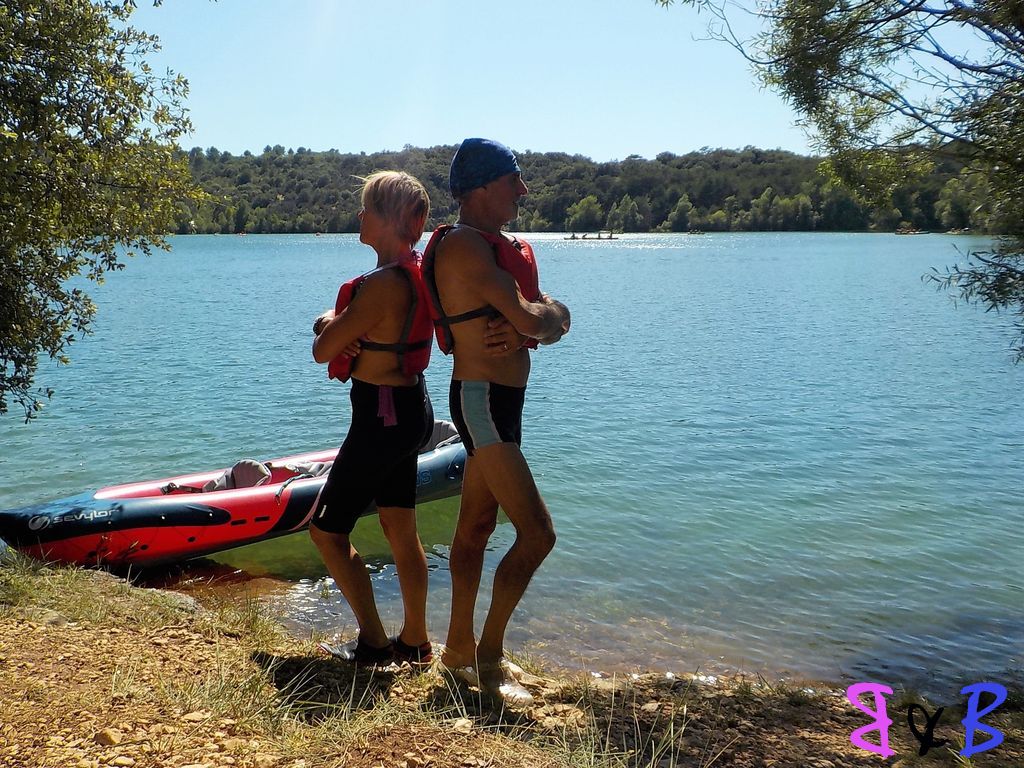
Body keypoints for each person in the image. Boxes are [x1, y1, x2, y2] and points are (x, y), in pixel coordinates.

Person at [421, 138, 571, 705]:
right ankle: (490, 658)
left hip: (504, 402)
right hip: (481, 400)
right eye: (515, 180)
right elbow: (537, 316)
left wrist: (541, 322)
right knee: (538, 533)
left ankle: (457, 651)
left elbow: (554, 315)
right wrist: (538, 323)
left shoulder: (500, 248)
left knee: (475, 530)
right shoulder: (464, 247)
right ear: (482, 187)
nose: (524, 190)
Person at [309, 171, 436, 667]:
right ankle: (417, 641)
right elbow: (352, 328)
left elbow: (324, 351)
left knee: (326, 532)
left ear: (389, 221)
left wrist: (329, 325)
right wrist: (339, 322)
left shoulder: (381, 285)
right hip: (411, 412)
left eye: (367, 209)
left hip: (379, 419)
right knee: (401, 530)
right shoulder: (413, 273)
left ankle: (374, 644)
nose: (359, 216)